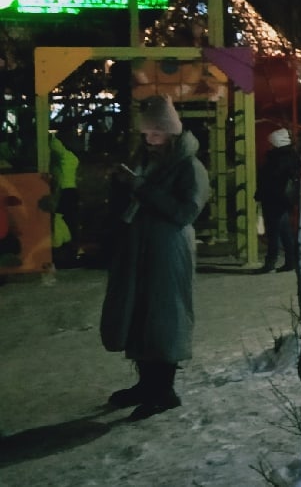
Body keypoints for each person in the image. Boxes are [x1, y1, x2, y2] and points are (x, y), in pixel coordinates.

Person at [100, 94, 210, 420]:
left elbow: (185, 211)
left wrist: (140, 187)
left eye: (156, 134)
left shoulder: (189, 166)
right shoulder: (148, 159)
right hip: (142, 247)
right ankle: (147, 384)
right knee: (140, 313)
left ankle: (163, 389)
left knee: (165, 315)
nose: (150, 140)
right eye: (146, 134)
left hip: (167, 250)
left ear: (171, 132)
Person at [255, 127, 301, 273]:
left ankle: (271, 262)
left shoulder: (276, 160)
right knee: (285, 231)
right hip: (284, 199)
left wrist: (259, 194)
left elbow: (268, 181)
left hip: (273, 199)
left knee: (273, 233)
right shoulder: (290, 157)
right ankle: (290, 260)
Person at [46, 133, 82, 269]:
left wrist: (49, 137)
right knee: (70, 221)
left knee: (59, 220)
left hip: (63, 191)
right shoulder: (72, 157)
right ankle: (70, 252)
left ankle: (61, 249)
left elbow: (55, 145)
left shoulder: (62, 156)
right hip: (72, 191)